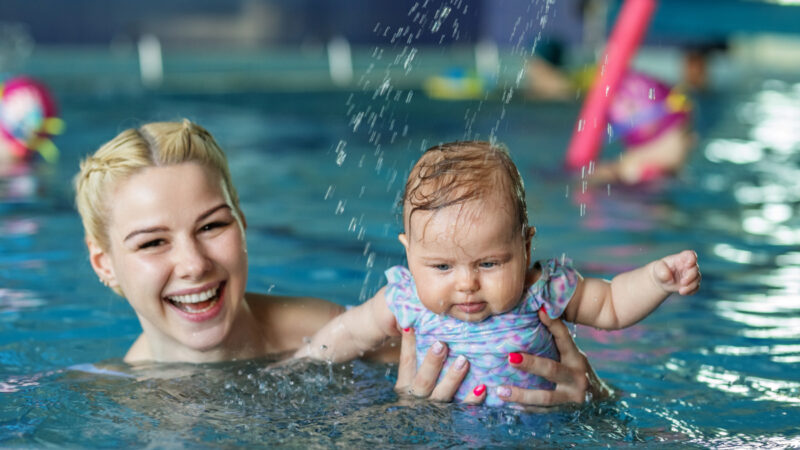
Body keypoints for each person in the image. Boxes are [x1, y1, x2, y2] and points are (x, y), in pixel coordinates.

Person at [74, 120, 610, 407]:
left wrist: (592, 399)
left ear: (242, 223)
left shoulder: (326, 333)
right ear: (104, 264)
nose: (192, 263)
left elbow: (495, 362)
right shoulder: (112, 399)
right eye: (151, 243)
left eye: (212, 225)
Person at [297, 141, 701, 406]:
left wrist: (655, 280)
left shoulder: (541, 290)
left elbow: (611, 304)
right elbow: (349, 332)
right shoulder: (404, 297)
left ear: (526, 248)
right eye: (441, 266)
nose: (467, 283)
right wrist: (301, 362)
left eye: (489, 263)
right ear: (409, 255)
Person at [590, 70, 696, 185]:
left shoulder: (659, 175)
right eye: (685, 132)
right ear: (651, 132)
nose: (693, 140)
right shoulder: (623, 179)